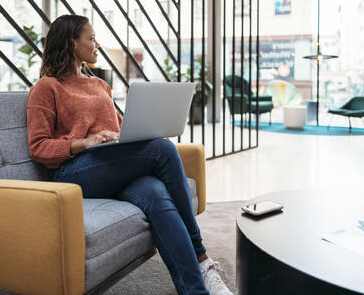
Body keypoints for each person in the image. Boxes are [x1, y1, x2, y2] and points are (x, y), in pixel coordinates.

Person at [26, 15, 233, 295]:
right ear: (72, 43)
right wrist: (83, 142)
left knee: (155, 191)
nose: (96, 44)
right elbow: (38, 146)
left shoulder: (100, 85)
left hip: (110, 165)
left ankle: (196, 290)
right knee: (162, 150)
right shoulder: (47, 87)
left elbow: (120, 128)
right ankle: (202, 257)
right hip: (71, 172)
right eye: (91, 38)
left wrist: (146, 130)